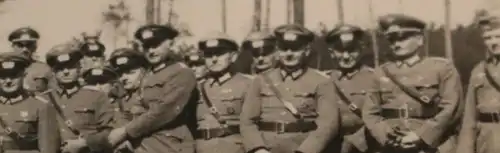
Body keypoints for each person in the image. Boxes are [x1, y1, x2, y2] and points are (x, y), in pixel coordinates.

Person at [362, 14, 463, 153]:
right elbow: (369, 113)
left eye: (403, 38)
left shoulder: (442, 68)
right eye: (392, 40)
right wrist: (387, 136)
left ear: (420, 40)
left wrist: (420, 136)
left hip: (430, 146)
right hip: (392, 146)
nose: (396, 44)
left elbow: (452, 109)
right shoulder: (380, 72)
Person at [240, 24, 340, 153]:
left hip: (301, 147)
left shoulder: (321, 82)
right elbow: (247, 121)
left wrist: (305, 150)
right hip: (267, 148)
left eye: (295, 49)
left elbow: (328, 124)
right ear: (277, 50)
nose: (289, 54)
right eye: (284, 48)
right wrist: (258, 148)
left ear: (307, 50)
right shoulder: (261, 80)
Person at [104, 24, 197, 153]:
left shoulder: (181, 72)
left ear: (170, 43)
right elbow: (133, 107)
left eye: (156, 45)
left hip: (170, 145)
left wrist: (126, 131)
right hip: (143, 145)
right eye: (147, 47)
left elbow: (164, 111)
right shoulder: (147, 74)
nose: (151, 51)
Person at [44, 43, 114, 153]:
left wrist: (85, 143)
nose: (66, 72)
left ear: (79, 67)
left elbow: (110, 132)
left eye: (71, 66)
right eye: (60, 68)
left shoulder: (96, 96)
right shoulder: (44, 98)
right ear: (53, 71)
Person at [193, 33, 253, 153]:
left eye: (220, 54)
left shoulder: (248, 84)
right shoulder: (196, 87)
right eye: (209, 55)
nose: (214, 59)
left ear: (233, 56)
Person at [323, 24, 377, 153]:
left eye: (352, 50)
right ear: (331, 53)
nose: (346, 56)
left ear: (361, 50)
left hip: (366, 147)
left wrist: (356, 142)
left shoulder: (376, 79)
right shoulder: (323, 80)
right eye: (340, 51)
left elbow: (382, 117)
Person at [457, 7, 500, 153]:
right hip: (487, 141)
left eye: (498, 36)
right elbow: (469, 118)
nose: (493, 42)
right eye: (488, 38)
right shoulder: (479, 70)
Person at [0, 51, 59, 153]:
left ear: (24, 75)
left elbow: (48, 150)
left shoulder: (41, 106)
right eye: (3, 77)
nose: (8, 81)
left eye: (14, 75)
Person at [8, 27, 53, 92]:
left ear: (35, 47)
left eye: (29, 45)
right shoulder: (3, 68)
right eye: (20, 45)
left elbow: (52, 92)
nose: (25, 49)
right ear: (13, 46)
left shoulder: (43, 68)